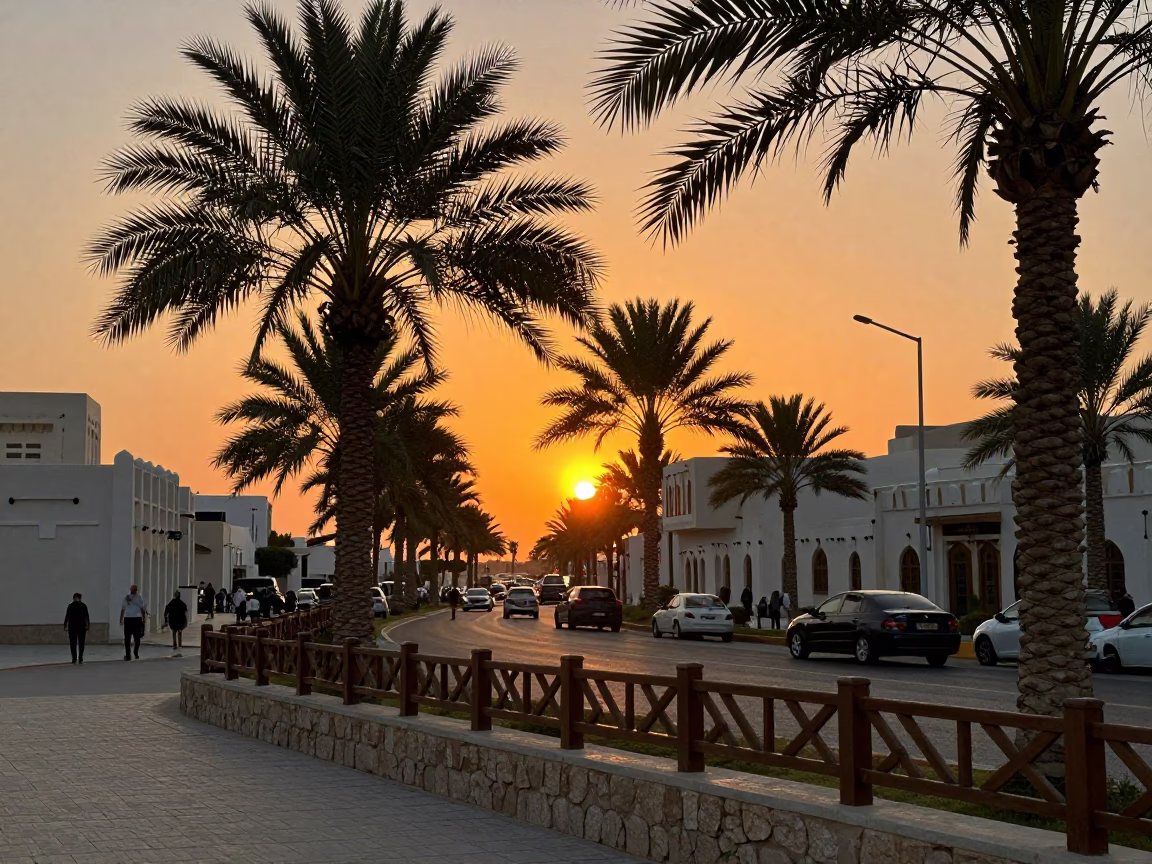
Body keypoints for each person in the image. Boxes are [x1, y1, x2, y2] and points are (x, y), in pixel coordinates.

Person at [119, 584, 147, 661]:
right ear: (136, 590)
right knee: (137, 638)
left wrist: (121, 619)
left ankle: (128, 655)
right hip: (137, 619)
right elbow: (142, 609)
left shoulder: (126, 598)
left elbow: (123, 609)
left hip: (128, 619)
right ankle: (135, 652)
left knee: (127, 638)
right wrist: (143, 619)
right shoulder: (139, 598)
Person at [63, 592, 90, 664]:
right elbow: (86, 616)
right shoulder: (83, 606)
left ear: (74, 598)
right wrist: (88, 625)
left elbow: (67, 617)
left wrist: (65, 626)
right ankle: (80, 658)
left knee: (73, 643)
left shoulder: (71, 606)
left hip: (72, 627)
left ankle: (74, 658)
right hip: (81, 627)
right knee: (81, 643)